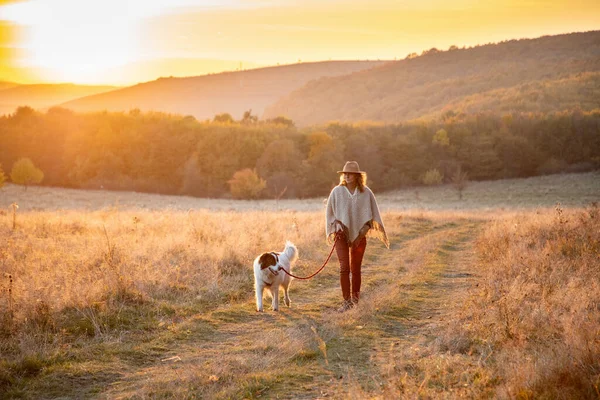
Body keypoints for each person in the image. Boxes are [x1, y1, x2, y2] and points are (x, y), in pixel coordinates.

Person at [325, 161, 390, 312]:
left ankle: (355, 301)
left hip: (360, 235)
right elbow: (329, 215)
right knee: (344, 268)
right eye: (344, 173)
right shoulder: (336, 192)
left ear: (357, 176)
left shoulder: (366, 193)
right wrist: (336, 225)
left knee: (356, 269)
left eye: (350, 173)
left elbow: (372, 216)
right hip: (340, 234)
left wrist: (363, 231)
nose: (346, 176)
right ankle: (346, 302)